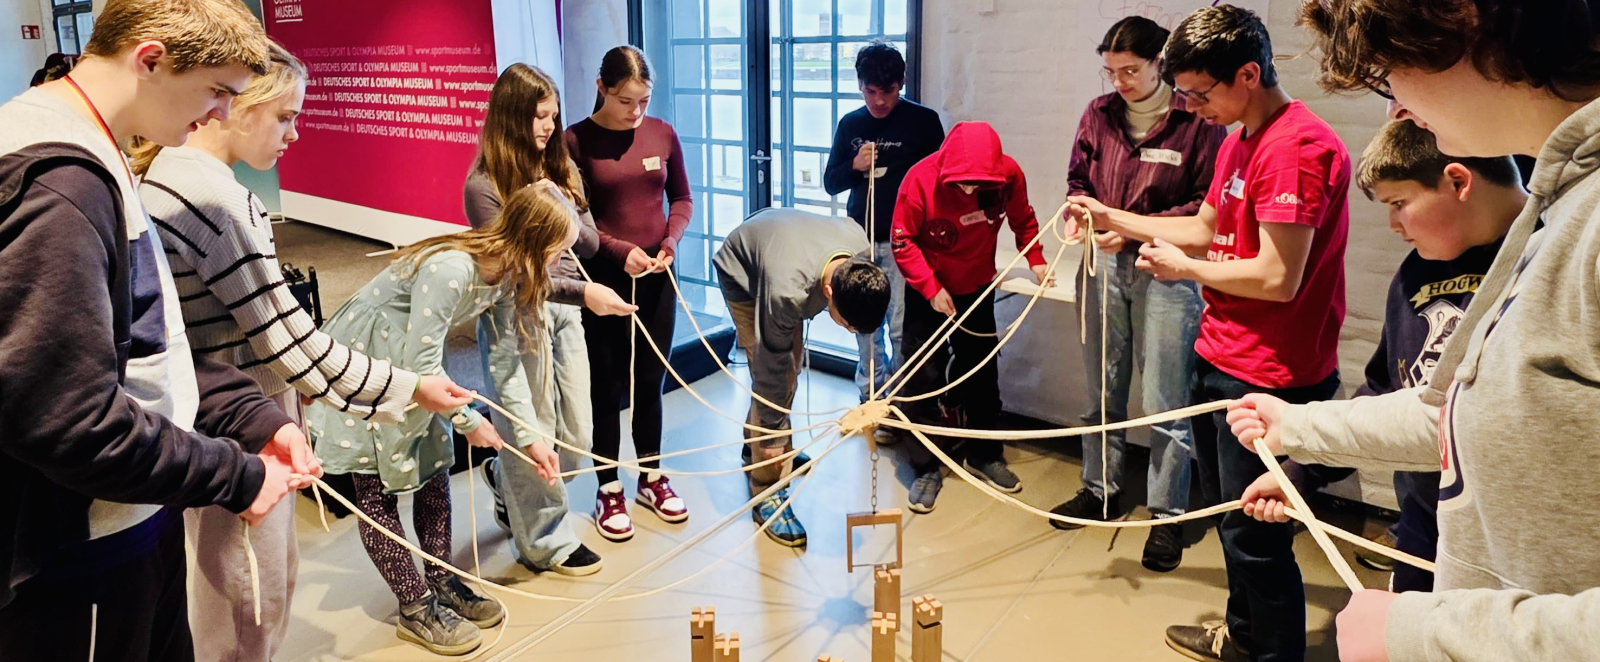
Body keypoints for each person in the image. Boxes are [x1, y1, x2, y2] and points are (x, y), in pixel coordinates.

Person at [1228, 1, 1600, 661]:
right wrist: (1298, 429)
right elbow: (1456, 413)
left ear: (1462, 22)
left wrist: (1422, 635)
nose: (1396, 102)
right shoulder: (1562, 202)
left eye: (1390, 72)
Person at [129, 43, 479, 661]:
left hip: (241, 413)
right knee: (248, 604)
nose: (294, 133)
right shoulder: (211, 198)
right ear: (237, 106)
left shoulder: (190, 182)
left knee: (252, 587)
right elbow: (290, 341)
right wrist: (411, 387)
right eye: (286, 115)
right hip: (235, 426)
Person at [0, 1, 307, 659]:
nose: (222, 113)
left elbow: (144, 345)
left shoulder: (95, 148)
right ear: (151, 60)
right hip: (84, 547)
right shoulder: (59, 180)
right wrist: (237, 476)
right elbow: (68, 419)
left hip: (136, 519)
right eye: (217, 91)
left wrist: (249, 414)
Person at [1067, 6, 1351, 660]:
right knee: (1232, 524)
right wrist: (1113, 215)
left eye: (1199, 91)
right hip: (1223, 352)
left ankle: (1268, 654)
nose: (1189, 106)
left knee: (1257, 535)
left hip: (1270, 371)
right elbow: (1202, 225)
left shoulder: (1295, 147)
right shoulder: (1240, 137)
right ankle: (1242, 639)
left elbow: (1280, 277)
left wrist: (1185, 269)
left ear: (1248, 74)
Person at [306, 187, 573, 655]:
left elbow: (508, 363)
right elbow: (422, 363)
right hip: (372, 363)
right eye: (557, 251)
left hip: (419, 371)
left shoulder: (508, 276)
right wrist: (470, 421)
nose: (559, 262)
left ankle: (441, 580)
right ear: (533, 243)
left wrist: (532, 439)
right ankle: (415, 607)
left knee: (433, 471)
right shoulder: (452, 269)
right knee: (375, 488)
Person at [1048, 15, 1226, 574]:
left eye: (1130, 70)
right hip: (1101, 265)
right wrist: (1079, 214)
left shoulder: (1195, 121)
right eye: (1110, 72)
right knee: (1102, 383)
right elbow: (1078, 178)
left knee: (1165, 399)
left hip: (1166, 271)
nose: (1119, 82)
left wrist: (1130, 226)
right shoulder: (1097, 115)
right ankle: (1099, 490)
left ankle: (1165, 515)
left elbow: (1205, 207)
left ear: (1161, 64)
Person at [463, 62, 635, 576]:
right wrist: (586, 291)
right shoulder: (483, 186)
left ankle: (503, 480)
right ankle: (544, 541)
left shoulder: (555, 163)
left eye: (553, 116)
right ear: (513, 116)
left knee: (576, 439)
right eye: (539, 116)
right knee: (528, 433)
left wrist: (562, 194)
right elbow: (519, 277)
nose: (548, 127)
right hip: (516, 314)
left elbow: (584, 238)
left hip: (566, 310)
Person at [567, 45, 695, 542]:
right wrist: (620, 252)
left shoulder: (662, 132)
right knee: (607, 385)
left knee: (650, 380)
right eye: (624, 100)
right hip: (604, 278)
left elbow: (681, 197)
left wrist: (670, 240)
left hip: (658, 274)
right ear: (601, 88)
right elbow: (575, 222)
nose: (635, 111)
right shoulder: (574, 141)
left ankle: (651, 477)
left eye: (643, 100)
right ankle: (607, 486)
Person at [892, 120, 1052, 513]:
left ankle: (984, 453)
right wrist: (930, 288)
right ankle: (926, 465)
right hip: (929, 290)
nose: (967, 191)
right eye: (961, 184)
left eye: (975, 186)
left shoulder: (1007, 175)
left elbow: (1023, 217)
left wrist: (1036, 259)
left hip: (977, 284)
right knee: (921, 376)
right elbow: (902, 240)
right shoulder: (920, 180)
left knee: (981, 370)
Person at [714, 208, 891, 547]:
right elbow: (770, 366)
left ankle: (754, 445)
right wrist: (773, 438)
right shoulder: (786, 292)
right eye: (847, 324)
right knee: (773, 377)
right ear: (828, 292)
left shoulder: (860, 251)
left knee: (790, 368)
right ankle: (766, 488)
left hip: (783, 248)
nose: (850, 330)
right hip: (743, 271)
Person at [823, 41, 944, 408]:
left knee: (900, 325)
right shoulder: (851, 124)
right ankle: (872, 398)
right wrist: (854, 167)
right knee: (865, 325)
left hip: (904, 242)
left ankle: (903, 402)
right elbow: (831, 181)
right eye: (870, 91)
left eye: (887, 92)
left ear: (901, 83)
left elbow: (941, 182)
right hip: (858, 239)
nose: (878, 101)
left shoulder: (923, 122)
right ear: (860, 86)